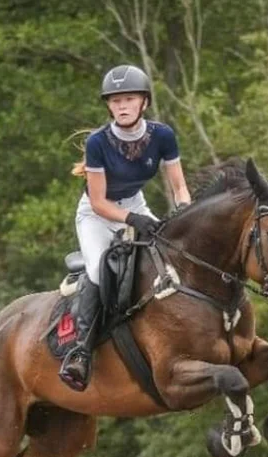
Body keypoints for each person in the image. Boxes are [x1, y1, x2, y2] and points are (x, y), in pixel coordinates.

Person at [59, 63, 192, 392]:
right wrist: (133, 220)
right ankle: (80, 352)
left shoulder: (162, 135)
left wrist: (185, 215)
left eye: (129, 99)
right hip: (96, 214)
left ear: (144, 102)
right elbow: (100, 201)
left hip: (135, 203)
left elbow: (179, 188)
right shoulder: (98, 143)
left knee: (167, 257)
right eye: (115, 101)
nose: (121, 106)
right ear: (108, 105)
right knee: (97, 270)